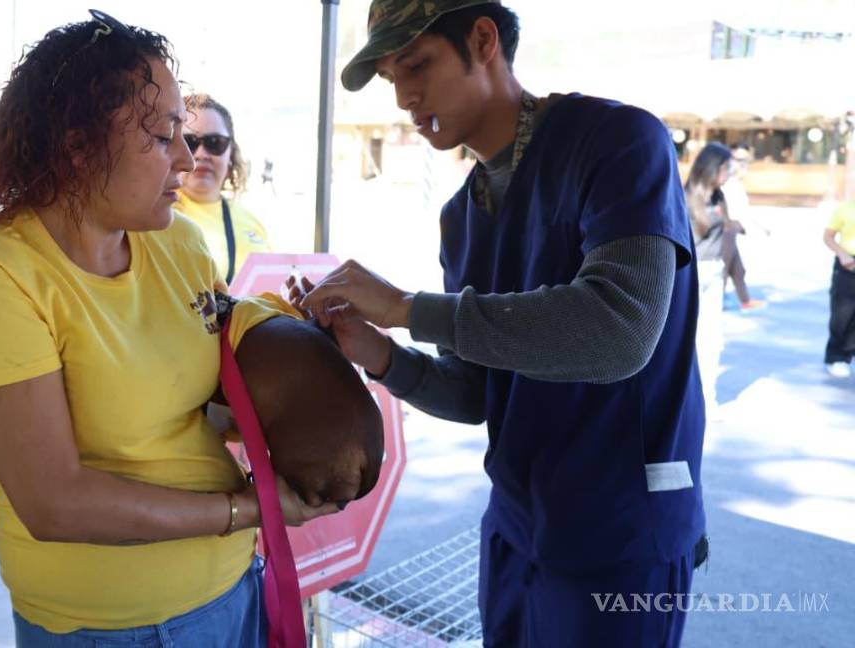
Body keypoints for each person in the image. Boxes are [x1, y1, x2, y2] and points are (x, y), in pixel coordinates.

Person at [291, 1, 706, 645]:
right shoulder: (462, 215)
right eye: (392, 77)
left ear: (484, 40)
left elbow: (620, 328)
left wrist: (407, 308)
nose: (404, 95)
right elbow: (475, 392)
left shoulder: (618, 142)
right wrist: (379, 353)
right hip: (515, 530)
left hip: (620, 535)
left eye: (417, 64)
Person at [0, 13, 336, 647]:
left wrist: (303, 356)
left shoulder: (181, 245)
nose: (188, 157)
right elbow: (56, 503)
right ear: (79, 145)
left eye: (186, 135)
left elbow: (204, 406)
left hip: (232, 587)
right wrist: (252, 509)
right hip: (110, 628)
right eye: (163, 136)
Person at [174, 92, 271, 284]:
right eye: (189, 143)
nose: (201, 154)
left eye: (214, 143)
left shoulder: (252, 223)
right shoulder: (157, 216)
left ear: (231, 153)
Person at [687, 142, 765, 312]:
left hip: (715, 268)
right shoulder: (685, 198)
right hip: (692, 271)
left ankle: (744, 298)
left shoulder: (719, 195)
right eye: (726, 168)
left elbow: (727, 228)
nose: (730, 173)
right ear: (711, 167)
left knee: (711, 331)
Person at [823, 200, 855, 378]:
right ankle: (836, 357)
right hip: (847, 263)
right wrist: (842, 254)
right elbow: (828, 236)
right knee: (843, 313)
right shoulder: (845, 209)